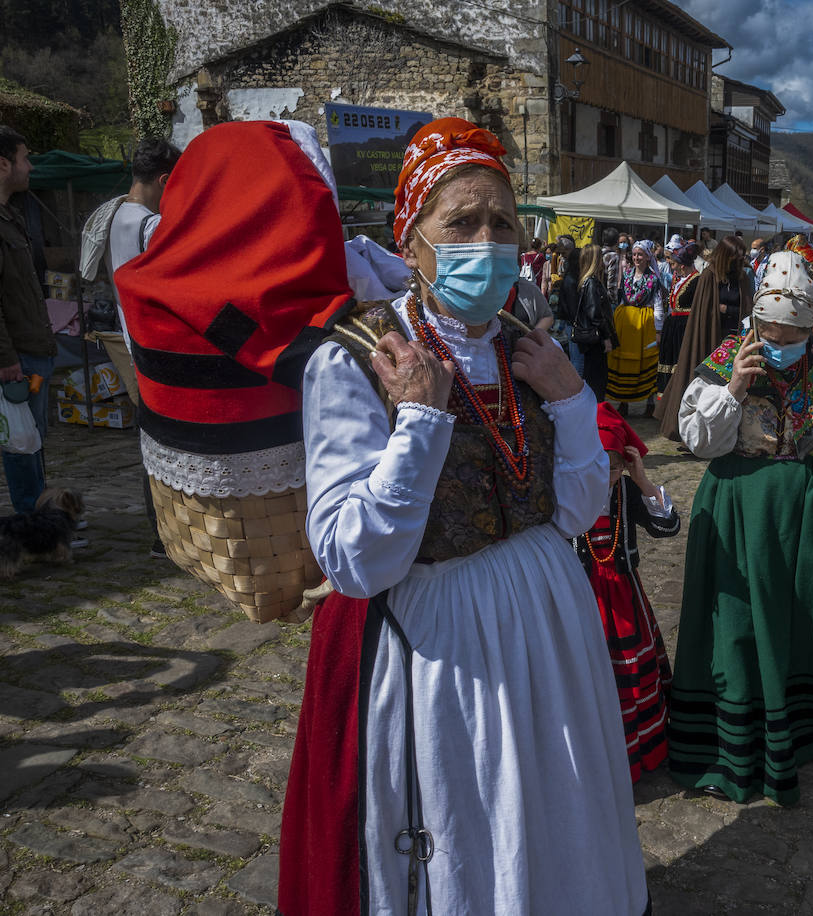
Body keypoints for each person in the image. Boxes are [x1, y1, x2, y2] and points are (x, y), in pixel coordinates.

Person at [279, 117, 648, 915]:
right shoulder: (357, 357)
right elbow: (353, 558)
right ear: (410, 241)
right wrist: (417, 421)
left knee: (553, 811)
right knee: (466, 818)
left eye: (503, 223)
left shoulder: (528, 344)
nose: (488, 239)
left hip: (548, 627)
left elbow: (576, 512)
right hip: (439, 643)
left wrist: (572, 398)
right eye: (462, 222)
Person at [670, 250, 813, 805]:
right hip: (737, 509)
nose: (779, 340)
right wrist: (734, 392)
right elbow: (698, 442)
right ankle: (738, 736)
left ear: (809, 324)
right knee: (739, 621)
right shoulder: (728, 362)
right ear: (754, 321)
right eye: (769, 329)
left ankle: (811, 723)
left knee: (807, 618)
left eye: (790, 332)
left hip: (808, 512)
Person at [83, 137, 180, 556]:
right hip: (155, 346)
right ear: (163, 180)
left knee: (149, 441)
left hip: (128, 339)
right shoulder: (151, 225)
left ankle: (159, 533)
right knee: (166, 441)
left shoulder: (113, 214)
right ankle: (168, 534)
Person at [574, 402, 680, 781]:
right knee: (584, 671)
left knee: (629, 667)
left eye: (614, 467)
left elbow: (667, 529)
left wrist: (643, 482)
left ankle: (638, 749)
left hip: (623, 596)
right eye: (599, 464)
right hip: (580, 596)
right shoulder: (568, 492)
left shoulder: (624, 490)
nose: (606, 474)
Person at [0, 126, 56, 513]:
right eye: (24, 158)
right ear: (3, 165)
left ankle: (42, 511)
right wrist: (7, 360)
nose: (30, 166)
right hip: (18, 359)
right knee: (20, 438)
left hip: (33, 351)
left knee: (32, 434)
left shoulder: (11, 216)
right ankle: (33, 520)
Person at [655, 234, 751, 441]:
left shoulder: (742, 279)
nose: (738, 261)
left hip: (733, 339)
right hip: (708, 338)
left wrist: (727, 309)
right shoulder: (709, 276)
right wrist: (720, 310)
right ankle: (693, 433)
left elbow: (747, 307)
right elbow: (703, 310)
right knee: (701, 385)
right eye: (735, 257)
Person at [607, 239, 661, 416]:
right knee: (623, 360)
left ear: (648, 257)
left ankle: (650, 402)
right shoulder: (627, 274)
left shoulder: (654, 279)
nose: (637, 257)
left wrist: (658, 329)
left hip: (644, 323)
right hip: (625, 321)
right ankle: (623, 401)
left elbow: (658, 305)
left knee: (645, 361)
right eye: (635, 254)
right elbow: (622, 298)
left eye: (641, 254)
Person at [573, 243, 618, 400]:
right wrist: (606, 337)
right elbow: (595, 314)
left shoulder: (588, 281)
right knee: (597, 380)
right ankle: (597, 413)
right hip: (595, 339)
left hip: (592, 338)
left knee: (594, 378)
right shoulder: (591, 282)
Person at [656, 242, 699, 394]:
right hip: (672, 327)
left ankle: (678, 396)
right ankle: (667, 398)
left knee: (679, 362)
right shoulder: (678, 278)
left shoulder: (697, 280)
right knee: (669, 361)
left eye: (674, 264)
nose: (671, 267)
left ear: (682, 265)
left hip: (683, 328)